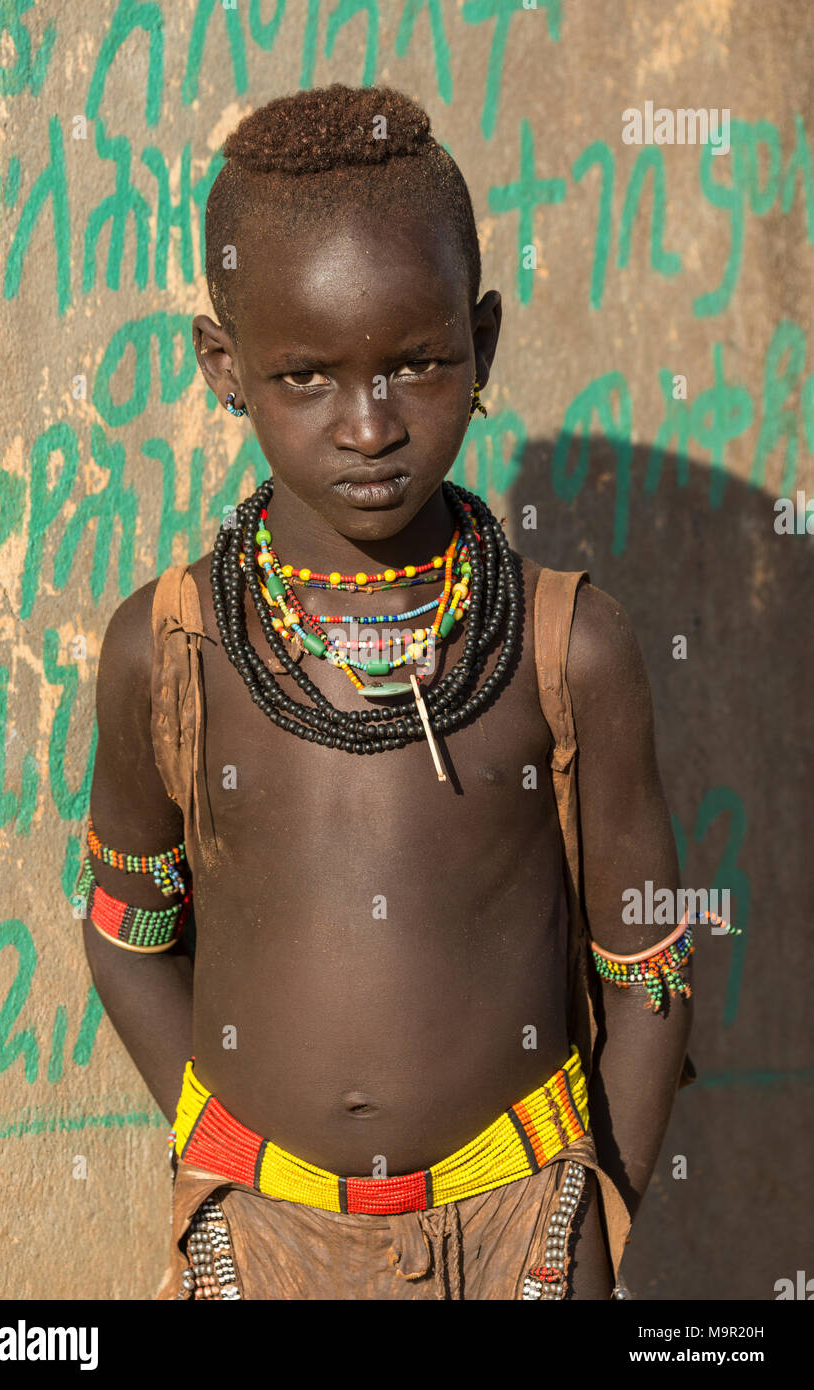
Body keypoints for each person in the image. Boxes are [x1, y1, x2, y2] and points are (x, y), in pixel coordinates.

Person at [79, 83, 697, 1300]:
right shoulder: (173, 646)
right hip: (260, 1236)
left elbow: (651, 966)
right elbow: (125, 933)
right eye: (306, 376)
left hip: (524, 1222)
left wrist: (599, 1213)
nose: (369, 426)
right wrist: (220, 1173)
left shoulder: (567, 646)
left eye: (416, 362)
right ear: (224, 365)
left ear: (485, 347)